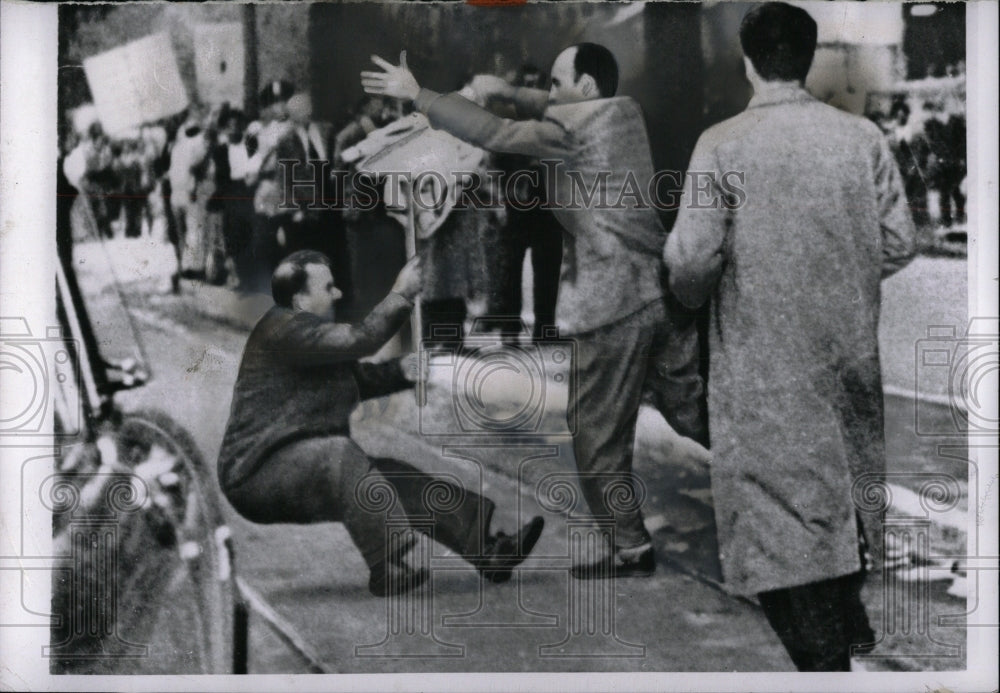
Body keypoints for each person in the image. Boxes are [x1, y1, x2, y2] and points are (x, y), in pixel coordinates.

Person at [362, 43, 707, 579]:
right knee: (695, 413)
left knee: (593, 434)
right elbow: (545, 104)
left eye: (559, 81)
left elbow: (494, 134)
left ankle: (632, 550)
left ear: (586, 89)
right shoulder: (626, 115)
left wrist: (421, 95)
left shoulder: (567, 132)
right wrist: (504, 90)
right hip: (655, 295)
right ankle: (783, 470)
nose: (550, 92)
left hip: (608, 305)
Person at [664, 3, 915, 671]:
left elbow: (689, 262)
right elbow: (899, 239)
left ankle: (826, 656)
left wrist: (709, 290)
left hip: (763, 359)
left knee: (780, 524)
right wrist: (841, 273)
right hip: (846, 353)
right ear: (806, 59)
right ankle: (843, 614)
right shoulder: (860, 138)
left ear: (747, 61)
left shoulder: (723, 144)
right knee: (846, 499)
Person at [217, 250, 544, 596]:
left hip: (297, 460)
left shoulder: (306, 337)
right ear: (300, 299)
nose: (337, 294)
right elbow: (361, 339)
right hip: (255, 471)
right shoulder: (281, 329)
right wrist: (401, 294)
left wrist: (403, 371)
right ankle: (386, 565)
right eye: (328, 287)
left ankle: (486, 549)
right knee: (339, 456)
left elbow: (358, 381)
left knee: (390, 477)